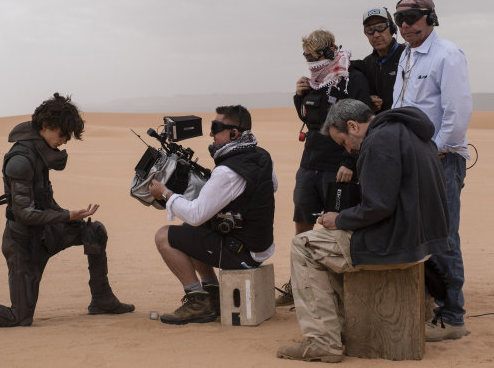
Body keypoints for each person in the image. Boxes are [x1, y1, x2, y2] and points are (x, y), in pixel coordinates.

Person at [0, 93, 134, 327]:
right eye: (63, 134)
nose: (65, 140)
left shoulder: (40, 154)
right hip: (23, 244)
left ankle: (102, 299)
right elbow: (25, 213)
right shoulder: (20, 160)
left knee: (94, 231)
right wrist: (67, 215)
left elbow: (44, 201)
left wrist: (73, 219)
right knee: (19, 317)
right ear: (46, 126)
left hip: (47, 234)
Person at [277, 99, 450, 363]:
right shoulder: (410, 131)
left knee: (304, 246)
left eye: (344, 143)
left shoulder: (379, 141)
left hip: (396, 242)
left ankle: (322, 342)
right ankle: (344, 328)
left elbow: (377, 207)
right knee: (325, 247)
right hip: (421, 239)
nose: (348, 149)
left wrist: (340, 219)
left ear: (353, 126)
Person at [392, 0, 472, 341]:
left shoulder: (447, 55)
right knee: (418, 235)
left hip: (440, 162)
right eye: (400, 19)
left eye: (412, 17)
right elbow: (400, 104)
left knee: (444, 237)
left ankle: (453, 317)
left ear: (430, 17)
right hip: (411, 161)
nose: (405, 25)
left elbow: (457, 114)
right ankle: (432, 306)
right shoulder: (407, 56)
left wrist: (435, 150)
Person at [148, 105, 276, 325]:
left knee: (164, 236)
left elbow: (196, 214)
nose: (211, 134)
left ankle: (198, 302)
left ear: (234, 133)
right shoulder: (261, 155)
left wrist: (166, 194)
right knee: (192, 231)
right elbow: (271, 185)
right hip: (259, 246)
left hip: (242, 254)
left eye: (216, 128)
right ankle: (214, 294)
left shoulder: (227, 171)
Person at [275, 29, 370, 306]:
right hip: (310, 162)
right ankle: (299, 282)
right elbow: (312, 119)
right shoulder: (316, 81)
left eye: (312, 56)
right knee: (302, 216)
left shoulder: (352, 79)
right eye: (305, 56)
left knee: (334, 223)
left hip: (338, 164)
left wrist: (350, 161)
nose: (309, 62)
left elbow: (361, 123)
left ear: (329, 53)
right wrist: (299, 96)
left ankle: (334, 287)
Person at [351, 7, 406, 112]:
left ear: (392, 28)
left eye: (381, 27)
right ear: (365, 34)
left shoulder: (408, 56)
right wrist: (368, 100)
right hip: (379, 126)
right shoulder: (367, 63)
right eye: (370, 30)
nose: (376, 35)